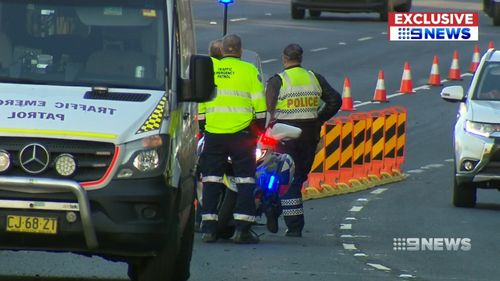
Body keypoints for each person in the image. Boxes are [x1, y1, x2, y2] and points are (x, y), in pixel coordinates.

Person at [265, 43, 342, 237]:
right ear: (301, 59)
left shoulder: (278, 81)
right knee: (297, 178)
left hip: (284, 137)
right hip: (309, 136)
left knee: (287, 180)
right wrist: (319, 119)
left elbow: (266, 110)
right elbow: (335, 100)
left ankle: (290, 222)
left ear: (284, 59)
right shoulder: (314, 77)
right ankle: (282, 215)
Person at [198, 34, 267, 244]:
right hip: (241, 136)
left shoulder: (211, 69)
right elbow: (261, 108)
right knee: (245, 180)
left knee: (210, 180)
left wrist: (204, 128)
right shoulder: (249, 70)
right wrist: (258, 132)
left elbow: (202, 104)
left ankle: (209, 230)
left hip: (213, 134)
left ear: (223, 50)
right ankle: (242, 230)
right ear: (239, 50)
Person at [195, 38, 225, 233]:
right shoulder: (230, 71)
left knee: (202, 176)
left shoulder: (203, 68)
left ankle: (200, 219)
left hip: (203, 130)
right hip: (226, 132)